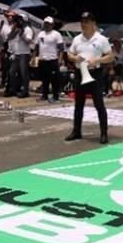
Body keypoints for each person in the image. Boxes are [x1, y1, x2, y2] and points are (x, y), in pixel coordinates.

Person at [65, 12, 113, 145]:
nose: (83, 24)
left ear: (93, 23)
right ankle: (76, 131)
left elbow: (110, 56)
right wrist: (74, 58)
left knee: (99, 105)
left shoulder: (101, 39)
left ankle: (103, 133)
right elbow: (69, 53)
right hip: (80, 73)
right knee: (78, 104)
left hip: (94, 73)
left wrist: (97, 60)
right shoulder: (77, 39)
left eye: (86, 21)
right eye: (82, 21)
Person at [35, 16, 64, 103]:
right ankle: (44, 95)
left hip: (53, 60)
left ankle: (55, 96)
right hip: (42, 60)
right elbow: (37, 46)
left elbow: (61, 48)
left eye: (48, 24)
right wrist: (34, 57)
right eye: (45, 23)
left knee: (54, 79)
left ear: (52, 24)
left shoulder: (56, 34)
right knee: (44, 79)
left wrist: (60, 59)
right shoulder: (40, 34)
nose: (47, 25)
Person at [7, 14, 34, 98]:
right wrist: (14, 28)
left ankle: (25, 91)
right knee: (11, 72)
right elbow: (9, 37)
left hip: (24, 53)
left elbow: (29, 41)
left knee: (24, 73)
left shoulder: (28, 29)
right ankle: (14, 89)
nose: (19, 22)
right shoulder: (17, 28)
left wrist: (22, 34)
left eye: (20, 20)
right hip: (16, 53)